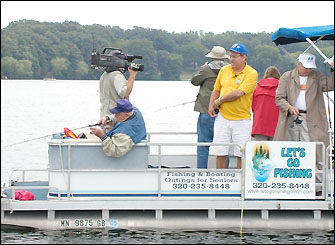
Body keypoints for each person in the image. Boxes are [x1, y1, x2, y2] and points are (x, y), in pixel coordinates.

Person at [208, 43, 258, 169]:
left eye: (235, 56)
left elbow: (239, 93)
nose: (231, 59)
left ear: (244, 57)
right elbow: (216, 89)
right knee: (220, 152)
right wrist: (211, 105)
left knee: (241, 153)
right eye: (230, 56)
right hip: (223, 118)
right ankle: (221, 181)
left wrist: (219, 101)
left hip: (242, 119)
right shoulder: (224, 70)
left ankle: (240, 183)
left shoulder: (251, 73)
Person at [274, 52, 334, 148]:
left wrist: (332, 70)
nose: (308, 70)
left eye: (311, 68)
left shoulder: (318, 77)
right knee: (290, 146)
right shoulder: (286, 77)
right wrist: (289, 107)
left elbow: (330, 86)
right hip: (291, 118)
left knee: (309, 146)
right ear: (299, 64)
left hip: (311, 119)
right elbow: (279, 98)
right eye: (306, 67)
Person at [191, 46, 230, 169]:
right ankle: (225, 174)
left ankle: (201, 172)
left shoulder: (207, 69)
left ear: (212, 58)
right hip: (225, 112)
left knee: (203, 144)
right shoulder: (229, 70)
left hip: (206, 110)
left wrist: (202, 69)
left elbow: (194, 81)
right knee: (224, 146)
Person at [99, 49, 139, 118]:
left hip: (104, 115)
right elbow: (125, 93)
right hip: (116, 116)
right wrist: (132, 75)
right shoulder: (117, 75)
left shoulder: (104, 75)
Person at [251, 66, 281, 141]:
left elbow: (253, 106)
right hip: (276, 125)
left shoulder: (257, 88)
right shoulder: (281, 88)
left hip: (259, 125)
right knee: (275, 150)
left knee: (260, 150)